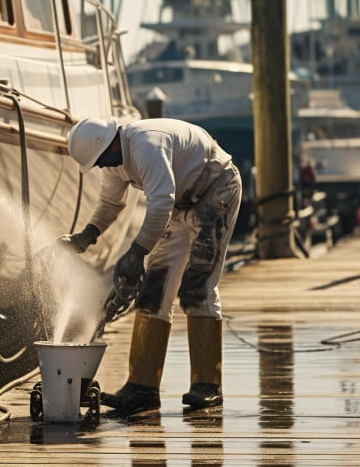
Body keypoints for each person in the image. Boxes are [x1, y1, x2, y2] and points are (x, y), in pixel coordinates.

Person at [61, 117, 241, 416]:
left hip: (215, 190)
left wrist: (136, 252)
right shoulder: (113, 160)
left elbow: (160, 203)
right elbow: (110, 203)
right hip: (179, 204)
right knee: (153, 292)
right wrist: (87, 235)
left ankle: (208, 385)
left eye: (103, 160)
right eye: (99, 163)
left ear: (111, 144)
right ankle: (142, 387)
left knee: (198, 287)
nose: (103, 166)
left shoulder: (146, 144)